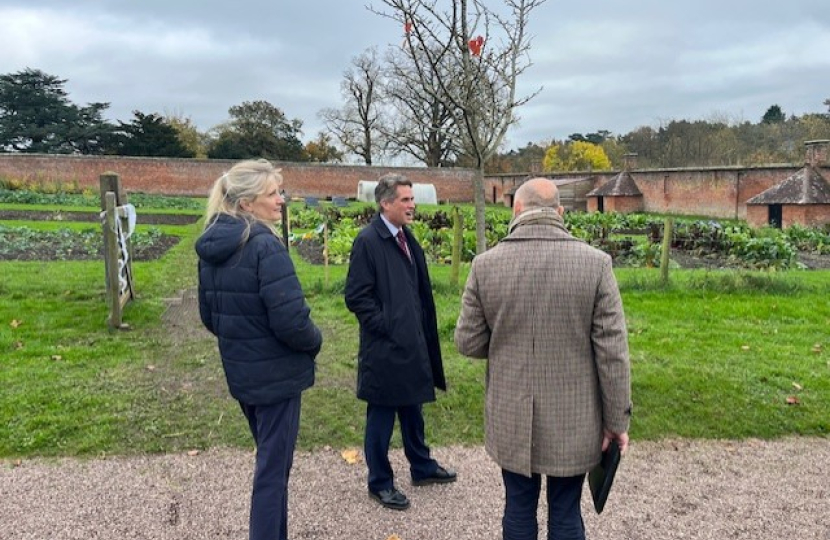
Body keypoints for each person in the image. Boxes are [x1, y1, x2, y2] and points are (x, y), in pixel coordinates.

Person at [454, 178, 632, 540]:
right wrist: (616, 421)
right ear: (560, 213)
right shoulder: (596, 264)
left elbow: (468, 343)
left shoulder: (485, 265)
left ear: (516, 210)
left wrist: (507, 342)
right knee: (566, 512)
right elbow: (612, 352)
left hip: (511, 412)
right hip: (574, 416)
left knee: (518, 506)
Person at [196, 159, 322, 540]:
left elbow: (209, 316)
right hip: (277, 379)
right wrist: (315, 341)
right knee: (271, 473)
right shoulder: (264, 246)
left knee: (273, 465)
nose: (281, 199)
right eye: (272, 193)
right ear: (247, 203)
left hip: (243, 375)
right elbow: (292, 322)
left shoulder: (212, 245)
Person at [344, 173, 457, 511]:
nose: (412, 205)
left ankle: (421, 466)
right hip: (386, 347)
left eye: (412, 198)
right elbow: (357, 296)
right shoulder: (369, 241)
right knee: (381, 415)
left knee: (412, 408)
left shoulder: (406, 237)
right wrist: (389, 327)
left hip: (412, 343)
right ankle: (380, 482)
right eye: (405, 199)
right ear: (385, 202)